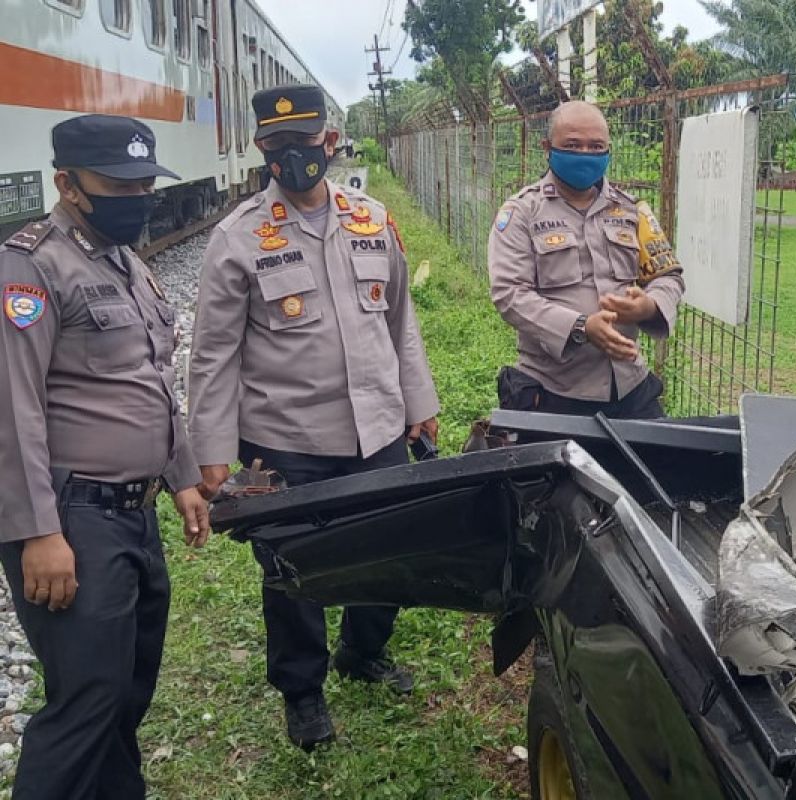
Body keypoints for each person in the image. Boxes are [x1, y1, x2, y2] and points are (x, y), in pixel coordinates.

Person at [187, 85, 440, 751]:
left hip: (378, 429)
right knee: (292, 572)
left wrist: (420, 406)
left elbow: (401, 322)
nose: (293, 154)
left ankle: (364, 652)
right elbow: (213, 355)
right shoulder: (237, 239)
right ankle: (302, 693)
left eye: (305, 139)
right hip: (285, 439)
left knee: (387, 555)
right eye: (277, 144)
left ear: (329, 140)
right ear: (262, 149)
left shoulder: (372, 220)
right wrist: (212, 451)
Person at [0, 114, 210, 800]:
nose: (138, 196)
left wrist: (180, 479)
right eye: (119, 183)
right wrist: (38, 532)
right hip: (72, 518)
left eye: (147, 182)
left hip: (133, 515)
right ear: (67, 184)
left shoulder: (126, 264)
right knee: (87, 700)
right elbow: (13, 409)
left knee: (128, 686)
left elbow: (151, 380)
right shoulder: (28, 266)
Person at [487, 100, 685, 419]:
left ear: (608, 150)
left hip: (631, 387)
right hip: (554, 392)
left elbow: (668, 276)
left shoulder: (633, 210)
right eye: (572, 145)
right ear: (547, 147)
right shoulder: (522, 212)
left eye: (596, 146)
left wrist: (649, 306)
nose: (585, 154)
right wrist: (580, 327)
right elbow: (510, 294)